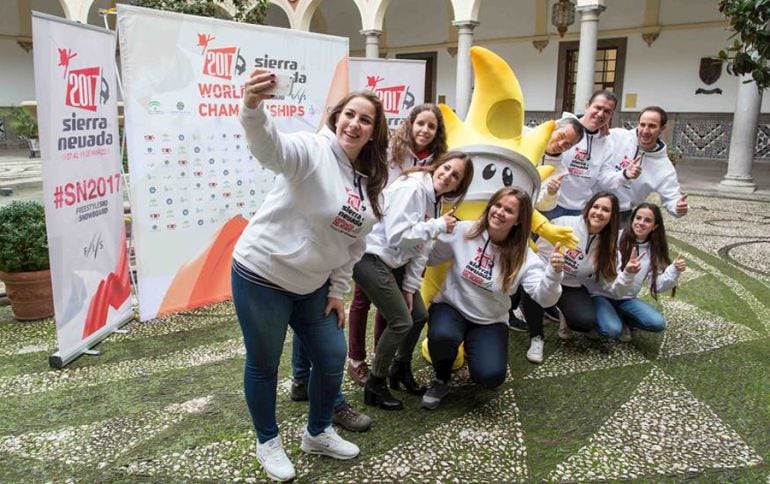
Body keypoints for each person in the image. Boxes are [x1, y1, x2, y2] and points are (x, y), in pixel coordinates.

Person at [232, 68, 389, 482]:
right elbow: (270, 148)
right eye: (349, 115)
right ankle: (267, 439)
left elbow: (353, 244)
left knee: (332, 356)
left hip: (312, 287)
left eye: (365, 120)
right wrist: (252, 107)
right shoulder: (310, 150)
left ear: (374, 132)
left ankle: (317, 432)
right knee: (264, 363)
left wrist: (337, 291)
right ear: (336, 118)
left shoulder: (368, 182)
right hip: (262, 274)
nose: (354, 124)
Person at [421, 187, 565, 410]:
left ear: (518, 220)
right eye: (497, 205)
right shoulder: (465, 231)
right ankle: (441, 378)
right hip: (452, 307)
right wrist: (433, 230)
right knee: (442, 336)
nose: (499, 212)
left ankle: (474, 349)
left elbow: (544, 299)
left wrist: (554, 274)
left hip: (489, 321)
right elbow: (430, 259)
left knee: (491, 377)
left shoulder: (524, 256)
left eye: (509, 210)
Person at [355, 151, 474, 410]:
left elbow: (422, 250)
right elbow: (399, 236)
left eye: (455, 176)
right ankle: (375, 384)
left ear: (458, 185)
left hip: (394, 262)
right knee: (400, 321)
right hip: (370, 256)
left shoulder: (435, 200)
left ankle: (400, 368)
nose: (447, 176)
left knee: (418, 314)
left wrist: (409, 288)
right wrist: (439, 226)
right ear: (437, 166)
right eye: (446, 169)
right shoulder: (414, 188)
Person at [346, 103, 448, 386]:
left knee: (390, 306)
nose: (425, 130)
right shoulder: (392, 150)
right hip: (378, 232)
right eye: (421, 123)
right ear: (410, 123)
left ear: (437, 133)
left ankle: (383, 356)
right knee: (361, 300)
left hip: (409, 243)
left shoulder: (438, 162)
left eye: (431, 126)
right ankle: (356, 359)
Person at [521, 192, 641, 362]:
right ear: (588, 208)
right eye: (596, 207)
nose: (599, 212)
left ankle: (561, 312)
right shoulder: (564, 224)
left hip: (572, 285)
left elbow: (614, 288)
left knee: (585, 321)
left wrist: (628, 273)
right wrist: (550, 270)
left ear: (612, 217)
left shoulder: (609, 246)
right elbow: (536, 257)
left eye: (605, 210)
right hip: (545, 276)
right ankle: (536, 337)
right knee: (532, 289)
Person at [508, 115, 585, 332]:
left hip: (527, 221)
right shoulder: (526, 138)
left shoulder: (560, 169)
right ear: (553, 129)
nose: (560, 144)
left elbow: (544, 206)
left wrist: (550, 193)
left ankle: (515, 308)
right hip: (500, 209)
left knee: (520, 266)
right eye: (560, 136)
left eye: (567, 144)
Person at [588, 203, 687, 341]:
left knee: (657, 323)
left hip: (626, 299)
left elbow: (657, 285)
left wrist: (674, 270)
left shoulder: (653, 248)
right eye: (638, 218)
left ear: (655, 226)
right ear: (632, 219)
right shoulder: (613, 238)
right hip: (600, 294)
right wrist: (628, 272)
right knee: (611, 329)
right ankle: (597, 321)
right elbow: (607, 282)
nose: (641, 223)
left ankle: (622, 318)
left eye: (647, 220)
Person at [543, 90, 626, 220]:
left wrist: (624, 175)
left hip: (580, 210)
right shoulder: (562, 126)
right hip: (550, 202)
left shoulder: (607, 143)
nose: (600, 114)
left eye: (607, 111)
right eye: (598, 108)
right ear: (587, 106)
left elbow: (603, 177)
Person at [604, 106, 688, 225]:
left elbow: (672, 197)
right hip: (593, 206)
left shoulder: (664, 166)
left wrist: (678, 208)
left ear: (662, 128)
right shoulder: (616, 136)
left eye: (652, 126)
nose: (645, 130)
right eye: (642, 124)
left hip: (621, 215)